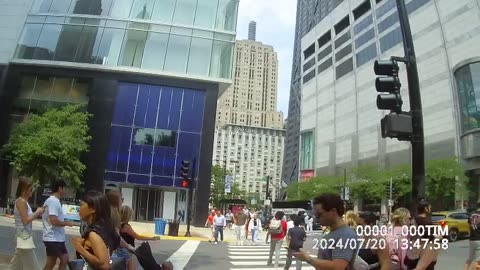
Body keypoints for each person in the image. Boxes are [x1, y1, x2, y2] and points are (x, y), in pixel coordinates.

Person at [293, 193, 358, 269]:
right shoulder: (334, 233)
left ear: (333, 211)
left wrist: (307, 258)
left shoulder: (346, 235)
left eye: (319, 214)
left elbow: (338, 266)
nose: (316, 218)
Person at [71, 190, 120, 269]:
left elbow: (104, 265)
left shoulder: (94, 234)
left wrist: (79, 248)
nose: (78, 209)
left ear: (93, 209)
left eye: (81, 205)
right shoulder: (104, 228)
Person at [9, 177, 45, 270]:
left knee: (16, 265)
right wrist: (37, 212)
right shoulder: (21, 202)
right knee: (33, 266)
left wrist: (38, 213)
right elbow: (25, 221)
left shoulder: (24, 202)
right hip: (23, 237)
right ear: (24, 190)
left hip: (23, 236)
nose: (32, 191)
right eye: (31, 188)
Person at [42, 180, 75, 270]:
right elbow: (54, 220)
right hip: (53, 238)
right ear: (60, 188)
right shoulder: (53, 202)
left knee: (51, 262)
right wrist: (67, 223)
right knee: (64, 259)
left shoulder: (53, 201)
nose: (65, 191)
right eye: (65, 188)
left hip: (54, 238)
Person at [119, 205, 160, 270]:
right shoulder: (126, 227)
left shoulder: (118, 225)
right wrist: (152, 238)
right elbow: (138, 237)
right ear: (128, 215)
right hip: (128, 251)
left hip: (119, 250)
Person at [404, 198, 438, 270]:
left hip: (412, 255)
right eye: (429, 207)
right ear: (426, 209)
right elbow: (428, 240)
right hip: (423, 258)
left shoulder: (413, 221)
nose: (431, 208)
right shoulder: (426, 222)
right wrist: (437, 237)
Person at [466, 201, 480, 270]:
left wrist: (470, 236)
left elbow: (468, 226)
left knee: (470, 259)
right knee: (477, 261)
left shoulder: (471, 214)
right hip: (479, 239)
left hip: (472, 239)